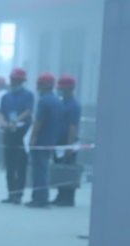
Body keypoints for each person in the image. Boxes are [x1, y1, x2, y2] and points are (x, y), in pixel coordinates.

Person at [0, 67, 34, 204]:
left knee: (20, 165)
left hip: (22, 133)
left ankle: (19, 194)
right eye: (12, 80)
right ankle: (11, 193)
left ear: (21, 81)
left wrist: (16, 121)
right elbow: (1, 112)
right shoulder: (6, 97)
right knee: (9, 165)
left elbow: (28, 111)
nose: (13, 82)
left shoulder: (28, 95)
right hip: (9, 132)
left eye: (16, 80)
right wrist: (2, 122)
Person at [26, 72, 61, 208]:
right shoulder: (56, 101)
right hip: (50, 140)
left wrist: (32, 137)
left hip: (40, 141)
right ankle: (38, 197)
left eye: (39, 85)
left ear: (45, 85)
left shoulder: (43, 101)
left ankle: (40, 199)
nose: (37, 88)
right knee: (42, 170)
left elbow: (39, 121)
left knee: (39, 172)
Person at [53, 73, 82, 207]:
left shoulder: (74, 105)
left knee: (68, 170)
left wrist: (69, 147)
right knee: (60, 169)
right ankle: (60, 196)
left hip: (68, 141)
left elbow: (72, 127)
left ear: (70, 88)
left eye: (62, 88)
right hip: (59, 141)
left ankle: (68, 198)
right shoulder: (61, 102)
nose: (60, 90)